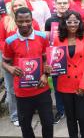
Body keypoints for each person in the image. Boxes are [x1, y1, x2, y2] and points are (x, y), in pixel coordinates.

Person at [2, 7, 53, 138]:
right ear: (15, 21)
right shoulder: (10, 41)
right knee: (25, 125)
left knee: (48, 123)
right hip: (22, 92)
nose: (24, 24)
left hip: (42, 89)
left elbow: (47, 60)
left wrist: (45, 75)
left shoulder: (42, 37)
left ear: (32, 20)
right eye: (20, 21)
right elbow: (4, 62)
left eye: (27, 20)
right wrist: (10, 69)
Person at [0, 0, 40, 127]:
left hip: (29, 59)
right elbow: (1, 40)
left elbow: (39, 39)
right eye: (15, 6)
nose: (17, 8)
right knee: (11, 88)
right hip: (10, 59)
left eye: (20, 5)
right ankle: (15, 115)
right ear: (11, 8)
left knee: (29, 83)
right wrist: (9, 48)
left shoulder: (32, 21)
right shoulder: (5, 20)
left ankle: (29, 110)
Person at [54, 10, 84, 138]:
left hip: (81, 84)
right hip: (65, 84)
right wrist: (51, 67)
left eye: (75, 21)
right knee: (70, 118)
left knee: (82, 117)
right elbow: (55, 61)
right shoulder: (57, 39)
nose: (72, 24)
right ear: (64, 23)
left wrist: (83, 85)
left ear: (79, 23)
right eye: (69, 21)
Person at [45, 0, 70, 124]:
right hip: (56, 59)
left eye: (64, 3)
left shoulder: (72, 18)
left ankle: (72, 111)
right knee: (58, 86)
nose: (62, 5)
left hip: (71, 57)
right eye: (59, 3)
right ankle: (61, 111)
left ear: (68, 4)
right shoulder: (50, 21)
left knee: (72, 85)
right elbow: (47, 40)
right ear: (55, 4)